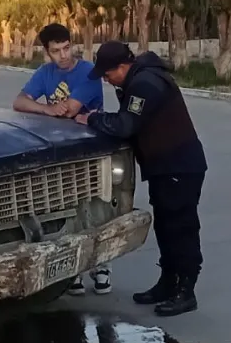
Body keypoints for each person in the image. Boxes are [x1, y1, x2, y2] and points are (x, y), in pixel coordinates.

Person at [75, 41, 207, 317]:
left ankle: (186, 290)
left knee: (181, 229)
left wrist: (93, 119)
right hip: (165, 167)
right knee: (166, 227)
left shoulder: (145, 84)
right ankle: (168, 283)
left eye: (108, 75)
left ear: (122, 67)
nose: (107, 81)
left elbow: (126, 125)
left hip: (179, 166)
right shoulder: (137, 80)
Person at [13, 23, 111, 296]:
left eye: (66, 48)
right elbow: (19, 102)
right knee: (68, 207)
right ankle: (74, 271)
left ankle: (101, 266)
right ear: (47, 52)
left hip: (92, 148)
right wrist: (46, 107)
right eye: (56, 51)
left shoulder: (88, 72)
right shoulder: (45, 73)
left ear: (72, 44)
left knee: (96, 207)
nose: (63, 55)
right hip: (61, 153)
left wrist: (55, 109)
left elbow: (70, 111)